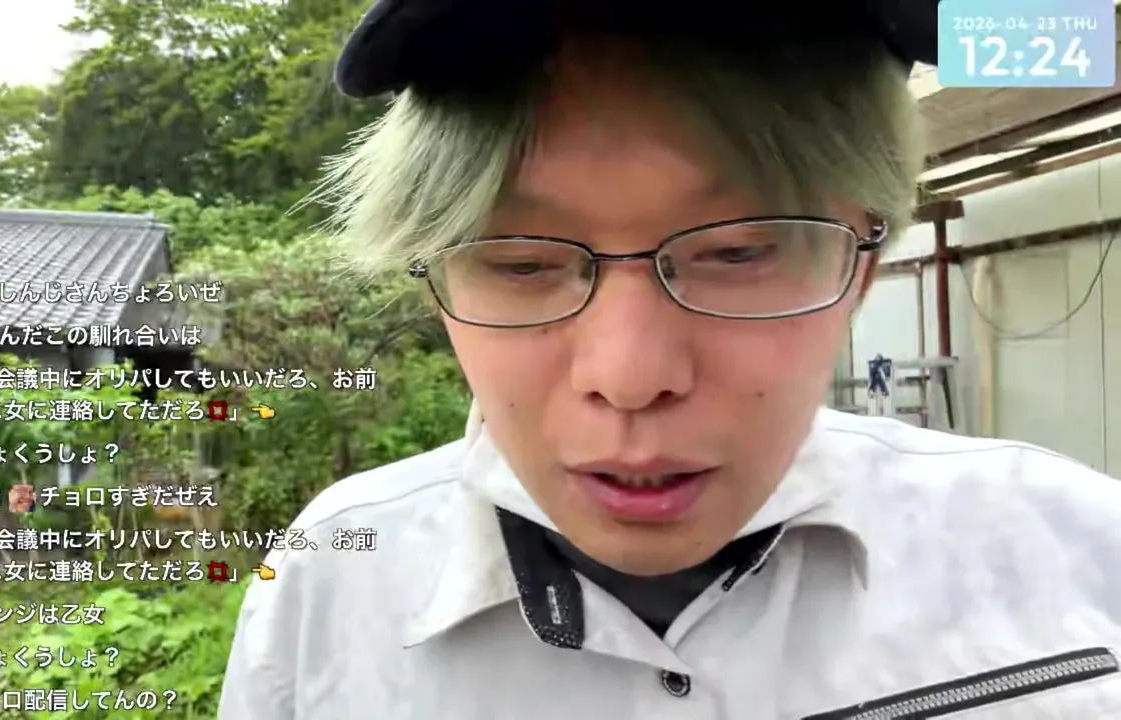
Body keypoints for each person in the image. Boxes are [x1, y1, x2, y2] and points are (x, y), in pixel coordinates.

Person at [220, 1, 1121, 718]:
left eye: (738, 252)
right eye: (523, 264)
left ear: (862, 268)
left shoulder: (1077, 553)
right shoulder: (325, 584)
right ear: (435, 285)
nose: (629, 377)